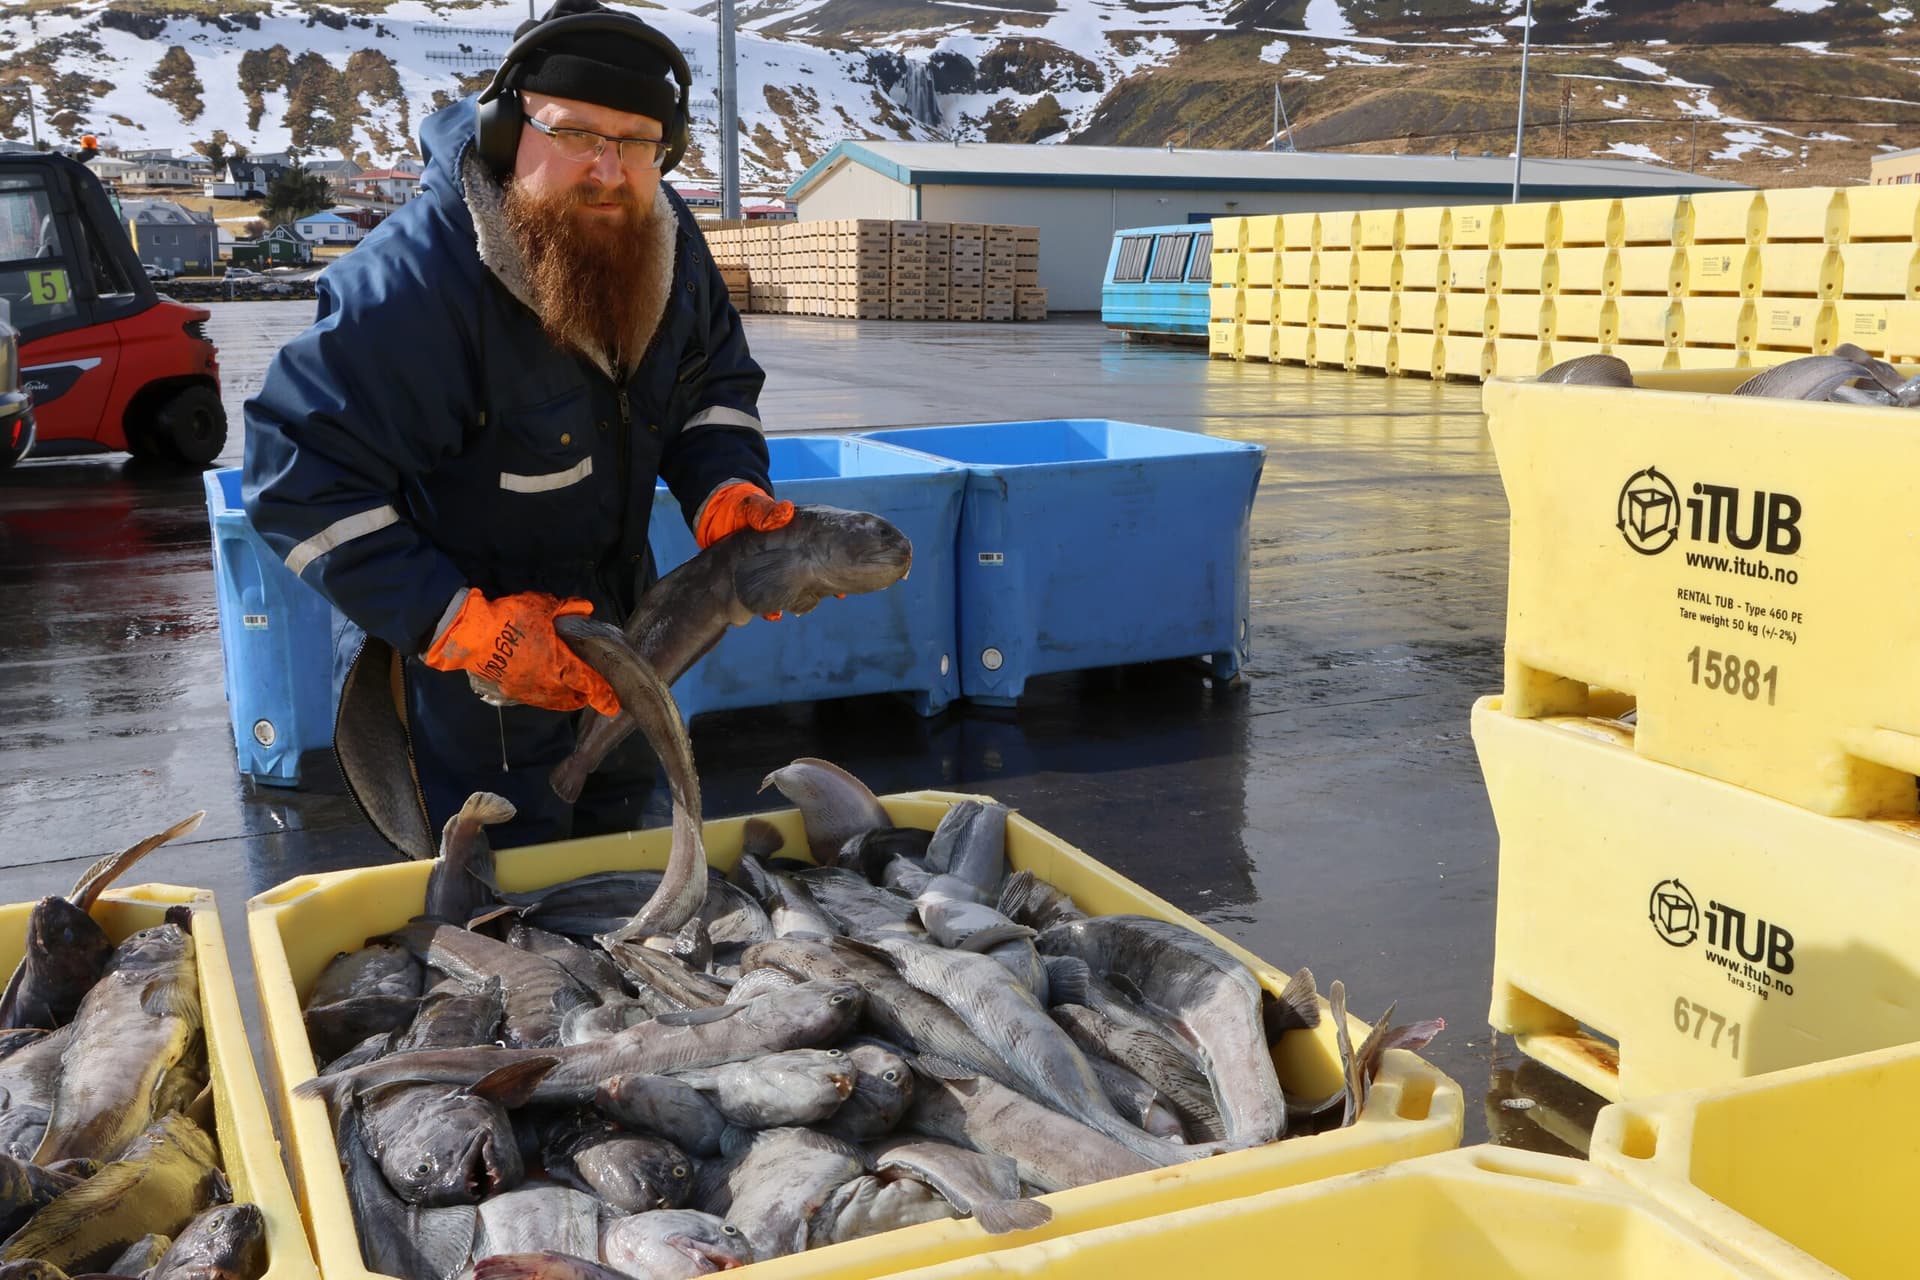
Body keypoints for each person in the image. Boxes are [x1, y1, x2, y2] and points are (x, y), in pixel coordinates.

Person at [243, 0, 791, 851]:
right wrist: (456, 622)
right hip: (476, 668)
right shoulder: (420, 282)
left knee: (623, 866)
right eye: (575, 133)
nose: (609, 170)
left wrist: (726, 484)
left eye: (638, 142)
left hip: (624, 632)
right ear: (508, 131)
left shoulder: (666, 237)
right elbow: (298, 478)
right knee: (497, 901)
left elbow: (710, 384)